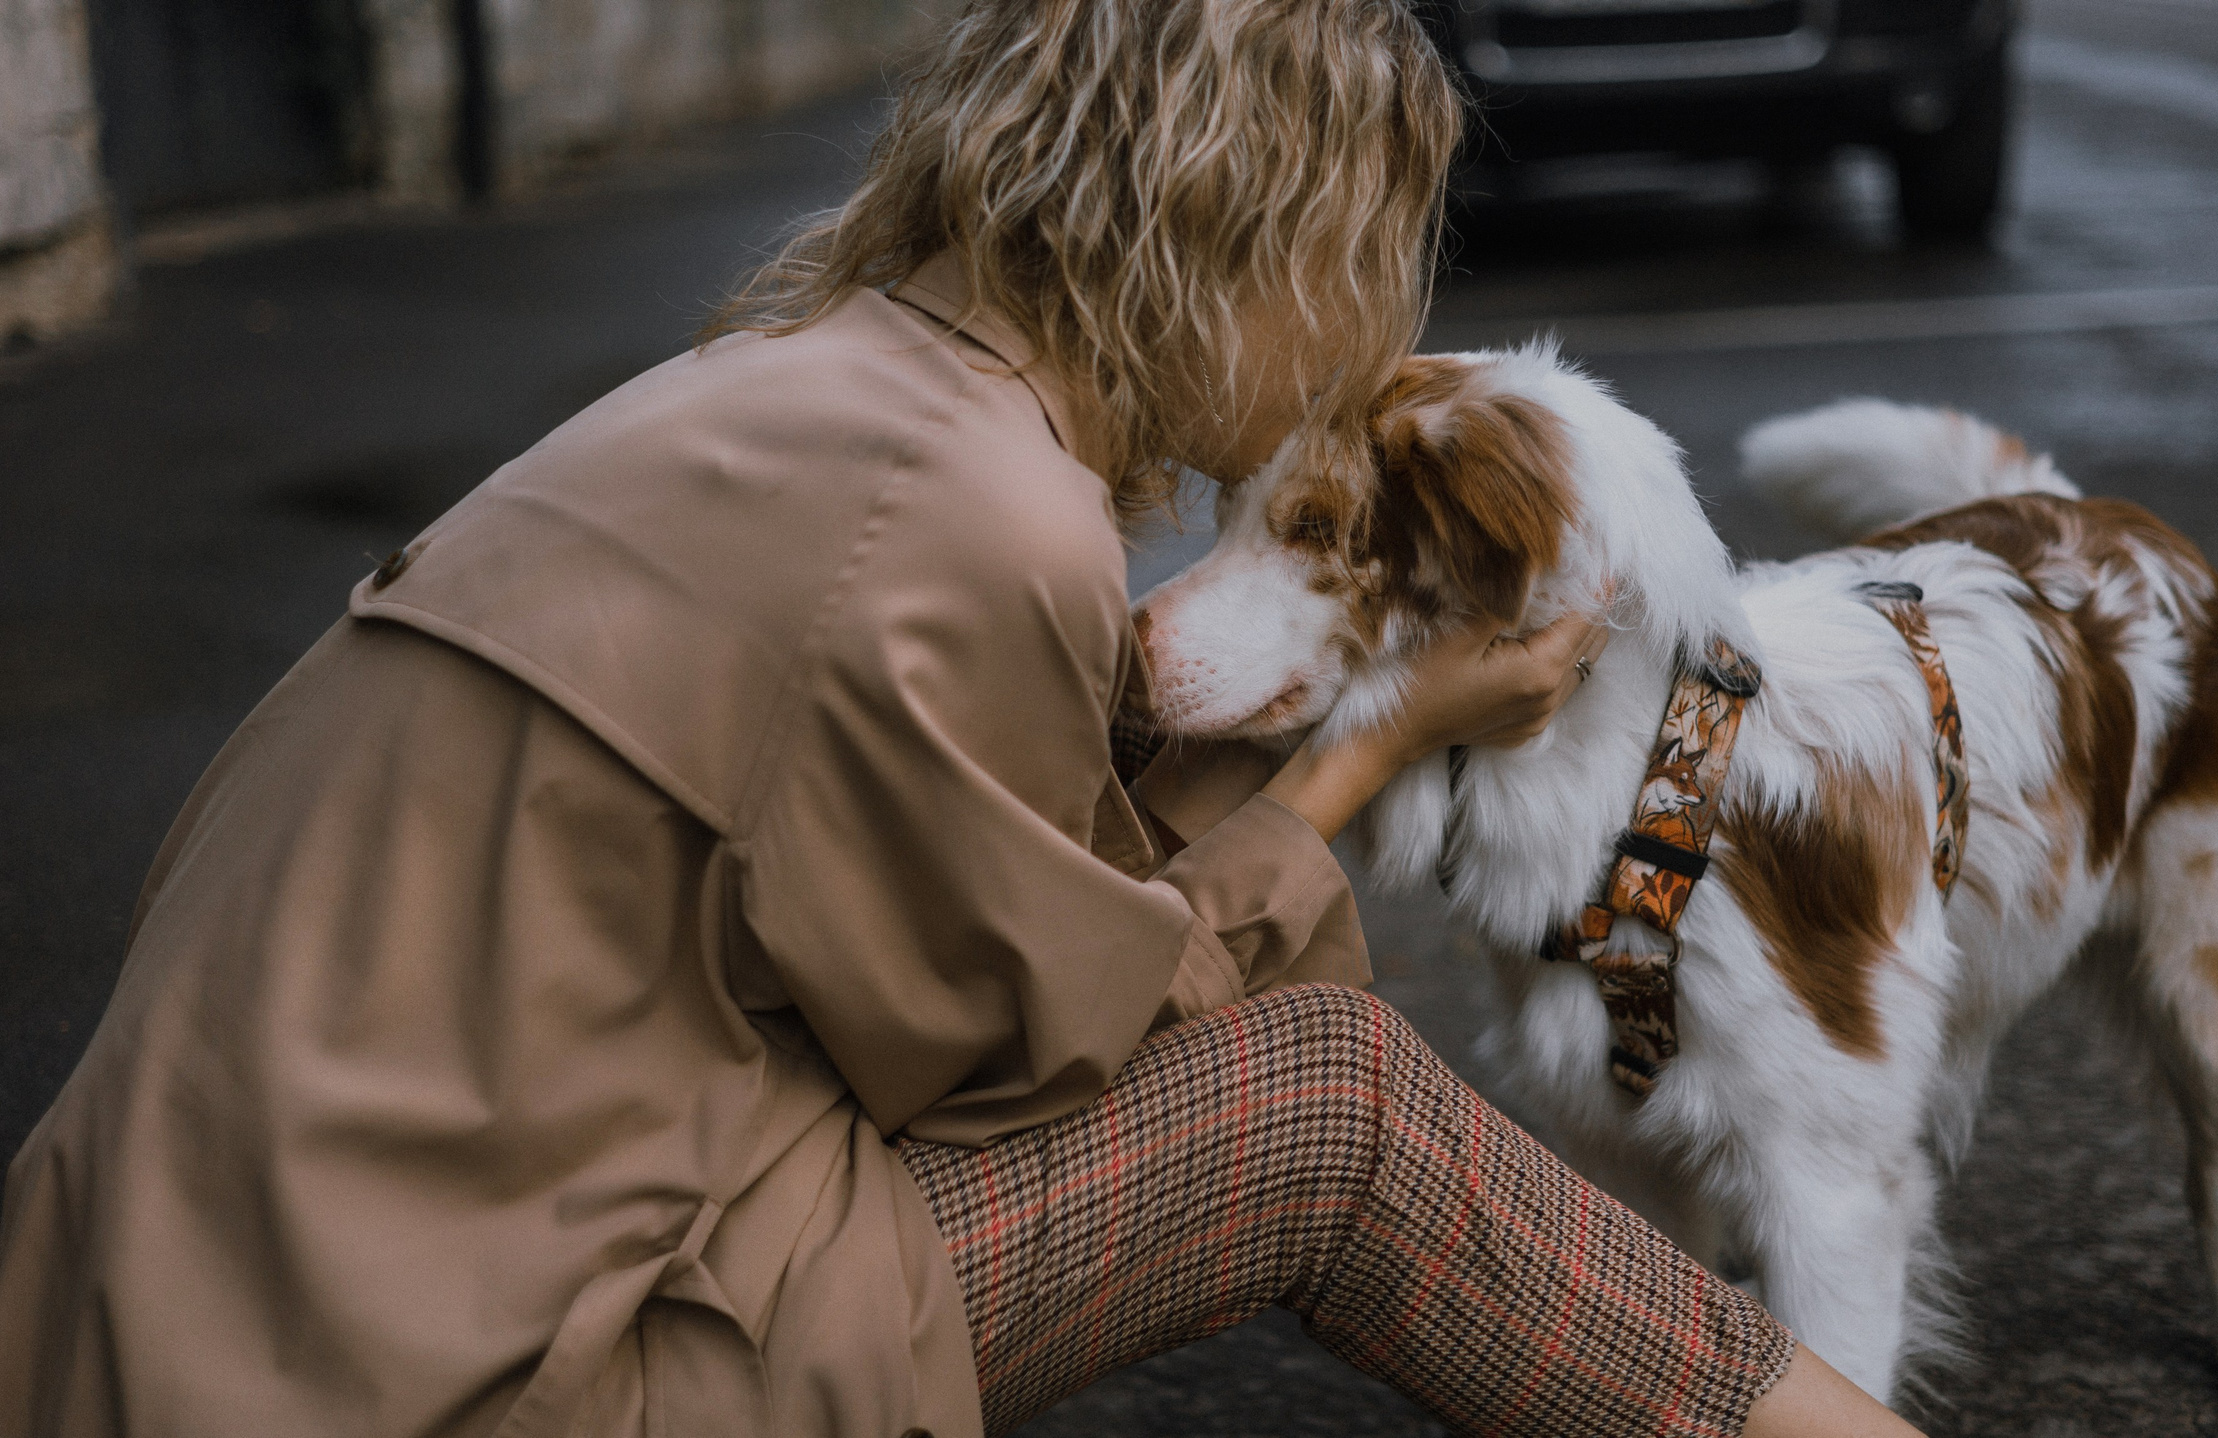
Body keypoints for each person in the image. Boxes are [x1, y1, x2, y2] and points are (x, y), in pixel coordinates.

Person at [0, 1, 1928, 1435]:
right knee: (1325, 1111)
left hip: (188, 1297)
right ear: (1243, 228)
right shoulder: (974, 514)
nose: (1362, 334)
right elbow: (1032, 1048)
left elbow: (944, 872)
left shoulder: (822, 383)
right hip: (447, 1363)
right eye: (1358, 263)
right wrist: (1364, 752)